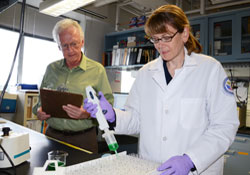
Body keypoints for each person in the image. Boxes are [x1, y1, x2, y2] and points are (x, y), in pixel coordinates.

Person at [84, 4, 239, 175]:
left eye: (166, 37)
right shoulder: (145, 73)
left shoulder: (210, 69)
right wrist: (113, 116)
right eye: (155, 39)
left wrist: (191, 159)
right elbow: (136, 119)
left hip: (196, 171)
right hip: (151, 168)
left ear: (185, 34)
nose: (160, 45)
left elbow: (225, 126)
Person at [33, 18, 114, 154]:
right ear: (59, 46)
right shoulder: (51, 69)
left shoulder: (97, 70)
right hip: (53, 137)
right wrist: (39, 112)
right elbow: (40, 104)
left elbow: (108, 108)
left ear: (82, 42)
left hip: (83, 139)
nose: (70, 50)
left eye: (74, 44)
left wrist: (87, 114)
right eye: (65, 46)